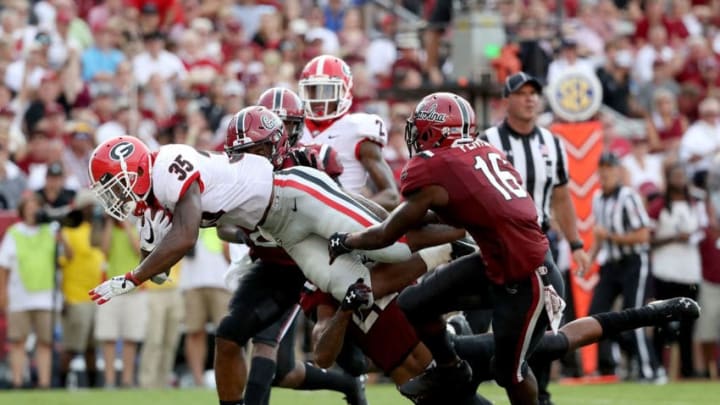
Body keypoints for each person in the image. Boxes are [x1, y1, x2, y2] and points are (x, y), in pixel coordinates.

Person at [86, 124, 455, 404]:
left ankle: (464, 234)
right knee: (344, 285)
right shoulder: (155, 202)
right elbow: (166, 254)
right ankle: (450, 247)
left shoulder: (168, 165)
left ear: (135, 169)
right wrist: (148, 263)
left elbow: (184, 236)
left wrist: (135, 276)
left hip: (294, 193)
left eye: (116, 184)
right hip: (279, 230)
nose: (115, 195)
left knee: (388, 245)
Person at [327, 92, 564, 405]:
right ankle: (450, 369)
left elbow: (386, 235)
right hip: (497, 262)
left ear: (433, 130)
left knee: (509, 372)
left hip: (529, 277)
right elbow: (451, 211)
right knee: (414, 302)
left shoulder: (435, 166)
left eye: (419, 128)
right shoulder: (482, 151)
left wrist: (346, 240)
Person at [308, 278, 700, 405]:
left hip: (454, 352)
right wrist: (345, 309)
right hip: (428, 387)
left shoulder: (379, 252)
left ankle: (653, 311)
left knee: (555, 343)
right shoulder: (325, 288)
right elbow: (322, 355)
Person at [482, 72, 590, 405]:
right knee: (477, 314)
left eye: (534, 93)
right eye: (522, 93)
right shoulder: (488, 140)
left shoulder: (552, 142)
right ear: (507, 100)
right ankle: (463, 388)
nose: (530, 99)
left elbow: (561, 197)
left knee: (543, 318)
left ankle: (539, 393)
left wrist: (576, 244)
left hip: (537, 242)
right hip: (493, 243)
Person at [588, 151, 658, 381]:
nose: (606, 172)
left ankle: (650, 370)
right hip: (611, 263)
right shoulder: (598, 198)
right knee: (595, 314)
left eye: (610, 167)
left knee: (634, 315)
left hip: (634, 262)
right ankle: (611, 367)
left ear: (618, 171)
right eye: (603, 167)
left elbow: (643, 236)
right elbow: (599, 236)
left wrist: (610, 236)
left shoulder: (629, 197)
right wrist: (589, 259)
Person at [298, 55, 400, 210]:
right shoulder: (294, 127)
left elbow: (391, 195)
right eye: (312, 90)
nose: (318, 99)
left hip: (341, 220)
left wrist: (348, 207)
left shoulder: (358, 128)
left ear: (344, 91)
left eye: (326, 91)